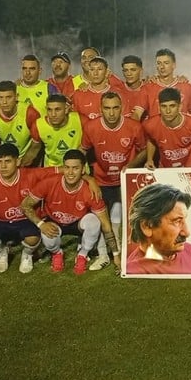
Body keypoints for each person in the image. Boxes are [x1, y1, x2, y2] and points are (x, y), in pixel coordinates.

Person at [21, 150, 120, 274]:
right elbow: (25, 205)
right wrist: (41, 224)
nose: (70, 173)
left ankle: (82, 255)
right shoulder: (49, 182)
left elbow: (106, 225)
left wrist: (116, 255)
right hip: (54, 222)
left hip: (78, 223)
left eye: (75, 168)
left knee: (94, 221)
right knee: (47, 234)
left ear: (83, 170)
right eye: (67, 168)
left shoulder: (91, 192)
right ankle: (57, 253)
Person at [0, 143, 62, 274]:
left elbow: (64, 170)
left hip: (26, 219)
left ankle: (27, 254)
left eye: (8, 161)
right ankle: (1, 252)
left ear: (18, 161)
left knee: (32, 238)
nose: (3, 166)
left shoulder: (32, 175)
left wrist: (88, 178)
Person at [81, 92, 146, 269]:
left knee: (122, 217)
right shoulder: (91, 127)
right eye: (107, 108)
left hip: (124, 179)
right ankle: (103, 255)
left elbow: (144, 150)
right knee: (101, 218)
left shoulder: (134, 127)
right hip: (101, 180)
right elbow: (83, 150)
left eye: (115, 108)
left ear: (122, 108)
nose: (111, 113)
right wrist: (86, 175)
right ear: (100, 109)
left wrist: (131, 166)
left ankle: (123, 251)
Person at [126, 183, 191, 275]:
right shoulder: (134, 272)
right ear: (147, 226)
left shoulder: (189, 250)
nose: (187, 233)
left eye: (184, 220)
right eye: (177, 221)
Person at [0, 80, 41, 166]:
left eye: (9, 97)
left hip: (28, 157)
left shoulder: (30, 113)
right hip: (5, 158)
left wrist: (23, 162)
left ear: (16, 97)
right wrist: (1, 163)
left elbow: (37, 144)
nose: (4, 102)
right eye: (1, 97)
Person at [144, 88, 191, 169]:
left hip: (190, 168)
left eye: (172, 106)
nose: (168, 111)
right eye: (164, 106)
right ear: (159, 107)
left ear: (180, 107)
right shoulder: (151, 125)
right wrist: (149, 159)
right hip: (165, 169)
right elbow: (151, 140)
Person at [30, 94, 83, 168]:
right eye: (49, 110)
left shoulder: (80, 120)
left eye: (57, 110)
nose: (53, 114)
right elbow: (33, 151)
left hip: (77, 169)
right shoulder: (38, 125)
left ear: (66, 109)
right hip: (52, 169)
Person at [143, 48, 191, 119]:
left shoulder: (187, 87)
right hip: (156, 126)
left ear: (174, 65)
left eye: (166, 63)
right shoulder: (148, 87)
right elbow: (142, 115)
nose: (162, 67)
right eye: (159, 63)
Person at [119, 55, 148, 120]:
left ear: (141, 71)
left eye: (133, 70)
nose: (129, 74)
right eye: (126, 70)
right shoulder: (117, 91)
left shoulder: (149, 88)